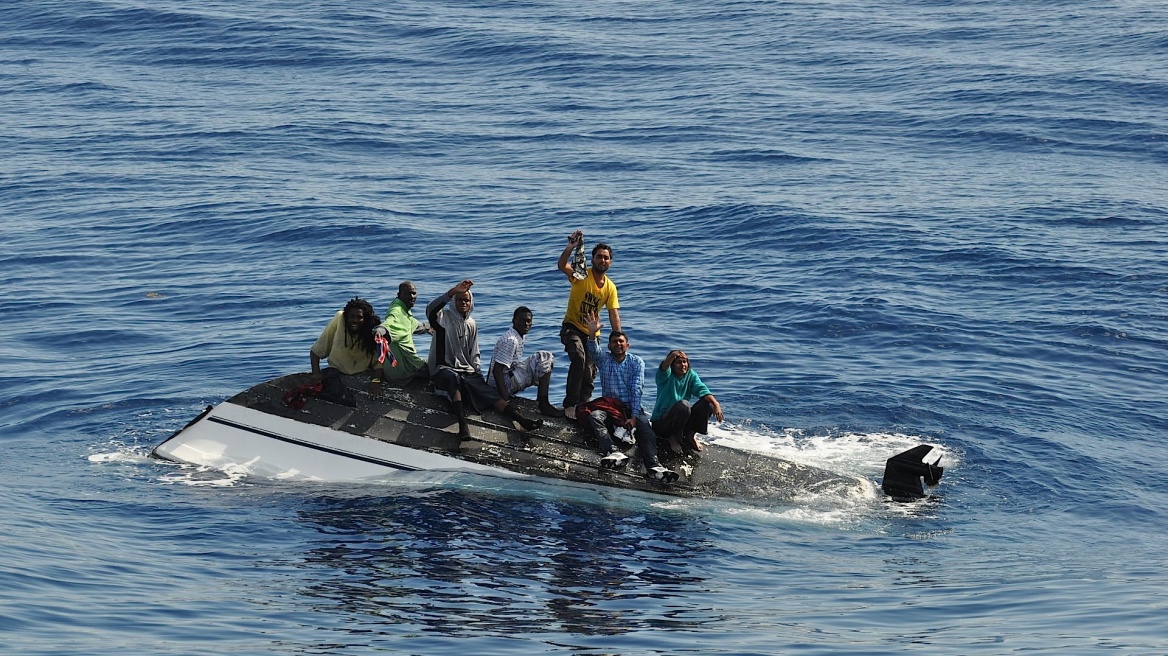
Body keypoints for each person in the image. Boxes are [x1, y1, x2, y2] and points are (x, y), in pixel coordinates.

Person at [426, 280, 543, 440]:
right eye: (459, 299)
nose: (463, 303)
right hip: (443, 368)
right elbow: (430, 310)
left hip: (466, 372)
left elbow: (474, 354)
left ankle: (522, 420)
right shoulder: (442, 318)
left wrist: (477, 374)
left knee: (489, 393)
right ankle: (463, 426)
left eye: (466, 300)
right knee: (453, 380)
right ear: (454, 301)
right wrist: (452, 292)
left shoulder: (472, 324)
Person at [577, 312, 676, 482]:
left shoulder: (636, 362)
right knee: (595, 416)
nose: (618, 344)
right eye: (614, 342)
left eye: (621, 342)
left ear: (627, 345)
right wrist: (592, 333)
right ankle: (612, 452)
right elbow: (592, 350)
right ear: (609, 346)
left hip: (631, 407)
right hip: (609, 407)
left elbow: (636, 389)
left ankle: (654, 466)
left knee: (646, 430)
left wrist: (634, 416)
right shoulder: (604, 359)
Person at [557, 230, 621, 421]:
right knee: (578, 357)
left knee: (589, 372)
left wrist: (618, 338)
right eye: (599, 257)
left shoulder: (610, 287)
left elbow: (613, 313)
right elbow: (561, 265)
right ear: (592, 259)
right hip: (572, 327)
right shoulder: (581, 275)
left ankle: (582, 406)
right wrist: (571, 247)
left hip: (593, 334)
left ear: (610, 262)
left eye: (606, 258)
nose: (603, 260)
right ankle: (569, 404)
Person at [487, 306, 564, 417]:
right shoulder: (511, 340)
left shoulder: (517, 336)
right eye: (522, 321)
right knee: (545, 357)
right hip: (502, 385)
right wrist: (506, 400)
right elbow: (497, 370)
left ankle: (542, 401)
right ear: (514, 321)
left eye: (528, 321)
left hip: (506, 378)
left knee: (540, 361)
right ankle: (543, 404)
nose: (526, 324)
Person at [651, 350, 725, 454]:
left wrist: (716, 404)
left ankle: (690, 436)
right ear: (672, 365)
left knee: (707, 404)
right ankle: (674, 438)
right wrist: (672, 356)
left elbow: (702, 389)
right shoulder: (665, 376)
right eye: (678, 362)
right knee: (684, 405)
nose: (682, 365)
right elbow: (664, 367)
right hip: (662, 424)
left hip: (681, 422)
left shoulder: (691, 375)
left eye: (684, 362)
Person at [309, 297, 385, 398]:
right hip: (336, 372)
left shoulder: (372, 329)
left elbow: (379, 363)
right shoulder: (340, 318)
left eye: (359, 317)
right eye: (352, 316)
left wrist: (375, 382)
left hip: (362, 375)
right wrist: (316, 374)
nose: (355, 320)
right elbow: (316, 351)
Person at [376, 280, 429, 384]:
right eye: (408, 293)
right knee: (438, 369)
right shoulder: (397, 312)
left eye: (414, 293)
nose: (412, 296)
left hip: (397, 369)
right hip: (403, 372)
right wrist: (379, 330)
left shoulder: (403, 310)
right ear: (399, 295)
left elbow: (415, 325)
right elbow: (389, 323)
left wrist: (432, 326)